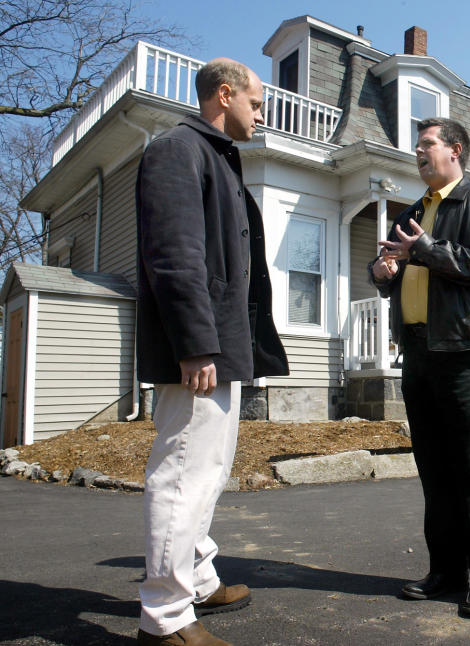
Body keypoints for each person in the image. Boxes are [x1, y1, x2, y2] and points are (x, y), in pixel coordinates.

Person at [135, 58, 289, 646]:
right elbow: (174, 257)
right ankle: (167, 619)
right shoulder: (178, 150)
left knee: (207, 472)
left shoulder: (217, 157)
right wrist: (197, 344)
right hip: (198, 350)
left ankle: (196, 579)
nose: (261, 113)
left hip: (218, 347)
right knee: (181, 476)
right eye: (256, 102)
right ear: (224, 94)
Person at [369, 117, 470, 616]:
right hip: (418, 351)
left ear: (455, 150)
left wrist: (424, 251)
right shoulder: (413, 213)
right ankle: (446, 571)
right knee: (432, 467)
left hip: (464, 352)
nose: (418, 151)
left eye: (427, 144)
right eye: (417, 146)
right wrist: (383, 271)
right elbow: (395, 269)